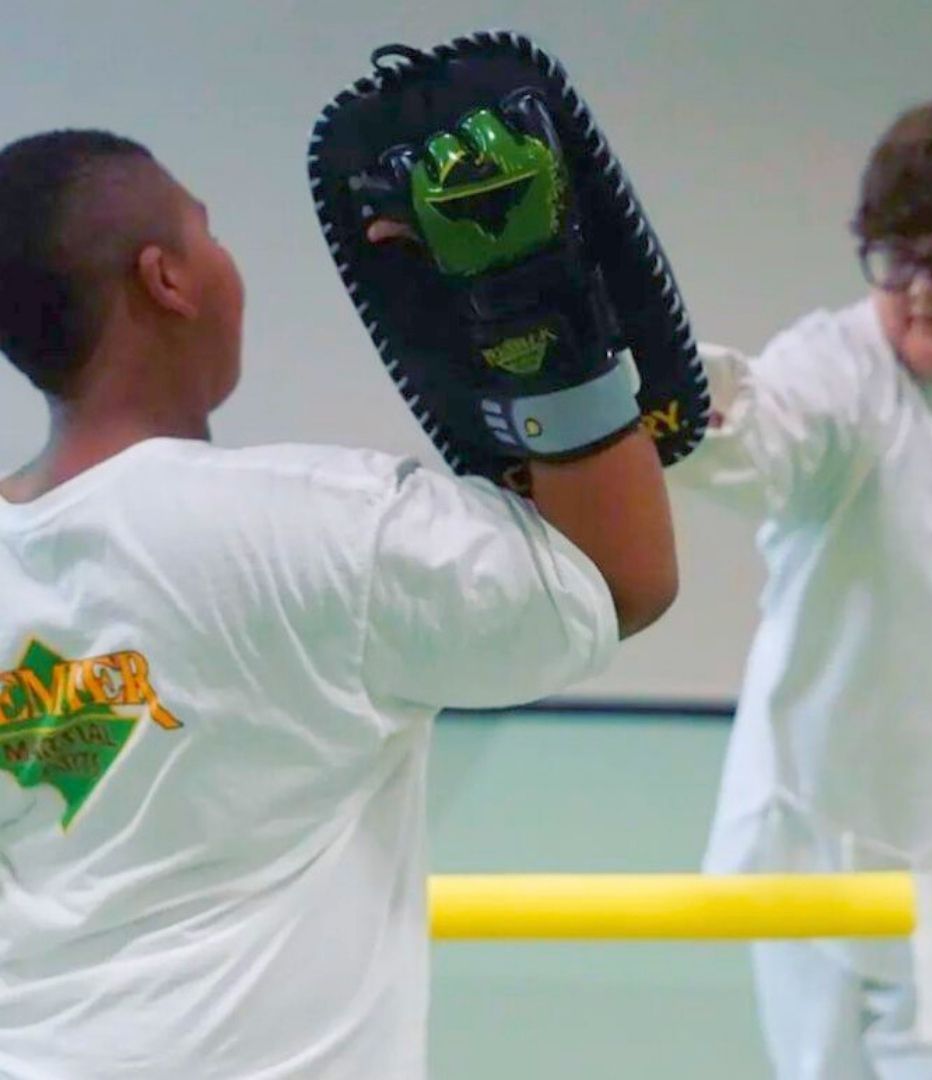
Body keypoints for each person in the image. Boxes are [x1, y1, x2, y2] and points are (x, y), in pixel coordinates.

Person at [0, 129, 677, 1079]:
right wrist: (534, 308)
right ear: (167, 280)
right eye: (208, 231)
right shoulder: (320, 531)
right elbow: (615, 586)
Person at [673, 96, 932, 1077]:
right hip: (826, 858)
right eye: (895, 260)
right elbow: (755, 436)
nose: (918, 294)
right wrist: (642, 385)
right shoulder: (839, 370)